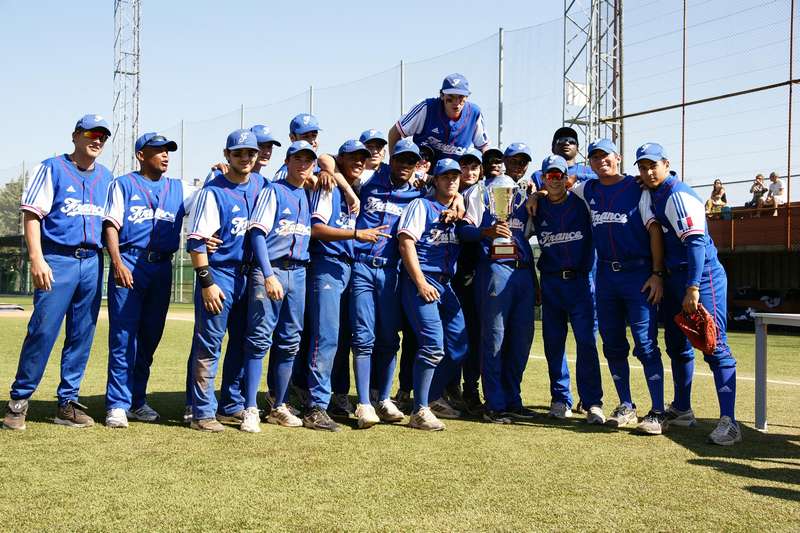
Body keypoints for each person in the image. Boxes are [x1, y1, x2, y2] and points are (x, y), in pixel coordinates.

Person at [3, 114, 114, 431]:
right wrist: (37, 259)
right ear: (75, 136)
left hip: (92, 260)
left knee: (82, 335)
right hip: (58, 259)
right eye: (92, 133)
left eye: (103, 136)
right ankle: (19, 401)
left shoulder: (106, 177)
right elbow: (31, 215)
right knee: (42, 331)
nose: (97, 140)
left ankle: (67, 403)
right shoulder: (51, 167)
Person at [636, 142, 741, 445]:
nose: (647, 171)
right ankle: (682, 409)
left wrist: (693, 287)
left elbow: (695, 243)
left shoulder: (678, 194)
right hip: (673, 275)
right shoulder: (652, 191)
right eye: (642, 166)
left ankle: (730, 422)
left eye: (652, 165)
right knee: (677, 343)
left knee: (714, 345)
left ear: (666, 164)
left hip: (701, 274)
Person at [103, 132, 199, 428]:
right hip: (130, 262)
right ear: (141, 155)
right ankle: (117, 404)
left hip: (161, 267)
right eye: (158, 150)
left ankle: (137, 400)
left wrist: (217, 171)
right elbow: (110, 225)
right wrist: (117, 262)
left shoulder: (179, 188)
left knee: (150, 336)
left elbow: (210, 196)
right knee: (123, 337)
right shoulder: (123, 184)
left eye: (168, 151)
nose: (165, 155)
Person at [572, 138, 667, 435]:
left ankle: (658, 411)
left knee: (645, 343)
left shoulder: (637, 188)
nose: (601, 161)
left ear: (619, 157)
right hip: (606, 276)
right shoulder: (588, 189)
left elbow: (654, 232)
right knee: (612, 342)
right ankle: (626, 404)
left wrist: (657, 273)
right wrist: (536, 195)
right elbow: (559, 187)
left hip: (637, 274)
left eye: (606, 156)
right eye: (595, 157)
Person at [302, 140, 390, 430]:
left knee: (341, 338)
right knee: (324, 337)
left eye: (362, 158)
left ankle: (332, 398)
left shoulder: (357, 186)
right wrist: (355, 234)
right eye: (352, 157)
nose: (359, 161)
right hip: (326, 264)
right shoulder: (327, 186)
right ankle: (315, 406)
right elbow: (316, 230)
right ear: (341, 159)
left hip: (348, 268)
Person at [186, 129, 268, 432]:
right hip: (220, 274)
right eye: (238, 153)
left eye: (250, 153)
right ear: (227, 155)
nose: (245, 158)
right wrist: (207, 283)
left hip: (250, 276)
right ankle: (201, 412)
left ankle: (230, 405)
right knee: (209, 344)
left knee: (241, 345)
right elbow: (196, 242)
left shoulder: (263, 186)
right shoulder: (213, 192)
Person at [238, 140, 316, 432]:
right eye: (298, 158)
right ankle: (250, 408)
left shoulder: (307, 195)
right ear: (288, 161)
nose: (303, 164)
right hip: (271, 269)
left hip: (298, 272)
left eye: (308, 160)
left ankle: (278, 405)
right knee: (258, 340)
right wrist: (268, 274)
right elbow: (257, 234)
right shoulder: (274, 190)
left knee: (290, 342)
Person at [460, 142, 539, 424]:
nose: (518, 165)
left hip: (523, 271)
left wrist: (537, 194)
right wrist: (487, 231)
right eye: (513, 160)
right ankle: (494, 402)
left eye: (523, 161)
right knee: (494, 338)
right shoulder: (480, 191)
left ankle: (513, 399)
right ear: (503, 161)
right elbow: (464, 230)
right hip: (495, 268)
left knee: (521, 339)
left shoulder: (528, 194)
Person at [349, 139, 426, 428]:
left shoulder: (419, 195)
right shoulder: (370, 179)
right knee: (363, 338)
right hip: (362, 266)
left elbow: (449, 192)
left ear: (417, 165)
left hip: (392, 271)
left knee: (390, 339)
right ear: (391, 159)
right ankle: (364, 402)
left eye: (411, 161)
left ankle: (383, 398)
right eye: (401, 159)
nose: (405, 165)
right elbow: (331, 164)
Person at [531, 155, 604, 423]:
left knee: (586, 342)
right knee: (554, 344)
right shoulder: (536, 207)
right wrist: (534, 197)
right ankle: (561, 398)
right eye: (550, 176)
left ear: (567, 177)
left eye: (560, 175)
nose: (555, 180)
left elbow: (599, 182)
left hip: (581, 283)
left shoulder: (583, 203)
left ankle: (593, 401)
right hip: (551, 283)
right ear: (543, 178)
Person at [398, 158, 468, 431]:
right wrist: (420, 283)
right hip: (423, 280)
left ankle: (434, 397)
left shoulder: (456, 209)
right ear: (435, 180)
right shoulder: (421, 205)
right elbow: (406, 243)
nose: (451, 180)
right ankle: (420, 409)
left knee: (459, 344)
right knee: (432, 345)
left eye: (455, 177)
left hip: (446, 284)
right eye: (445, 176)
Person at [388, 73, 489, 161]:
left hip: (454, 175)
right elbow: (395, 132)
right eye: (451, 97)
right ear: (442, 95)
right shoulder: (426, 107)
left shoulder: (474, 113)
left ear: (467, 97)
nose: (456, 103)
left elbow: (483, 147)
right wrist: (394, 162)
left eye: (460, 97)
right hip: (423, 172)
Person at [532, 126, 597, 190]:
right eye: (561, 140)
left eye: (572, 141)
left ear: (577, 149)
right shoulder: (538, 176)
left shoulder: (589, 172)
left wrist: (577, 177)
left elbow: (605, 179)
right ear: (553, 148)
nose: (566, 143)